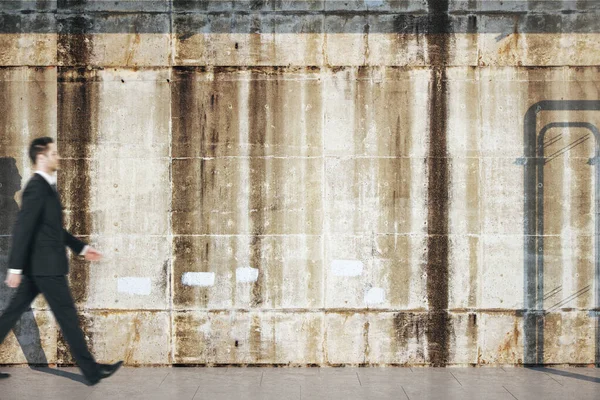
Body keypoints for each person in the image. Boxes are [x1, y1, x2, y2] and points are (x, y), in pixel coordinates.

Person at [0, 137, 122, 385]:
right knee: (67, 316)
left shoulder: (45, 187)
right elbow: (23, 228)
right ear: (42, 157)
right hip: (46, 267)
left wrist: (82, 248)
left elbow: (52, 229)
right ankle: (92, 371)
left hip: (40, 267)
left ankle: (91, 370)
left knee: (11, 314)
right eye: (54, 153)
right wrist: (14, 267)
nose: (59, 157)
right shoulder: (36, 188)